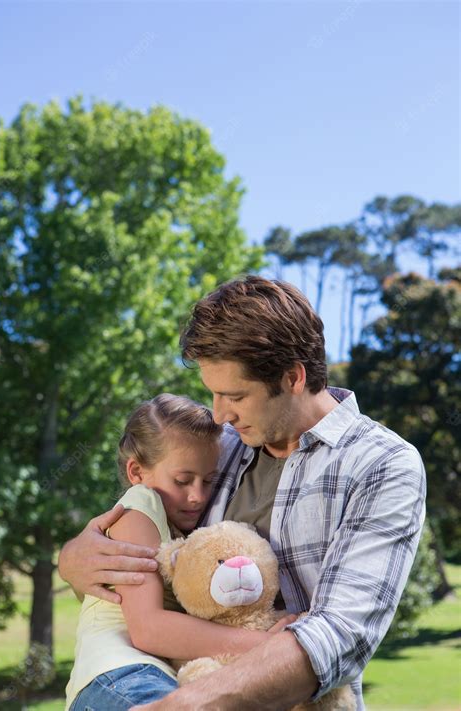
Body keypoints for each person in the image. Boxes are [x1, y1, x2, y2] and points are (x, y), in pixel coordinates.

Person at [59, 276, 426, 711]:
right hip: (173, 681)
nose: (218, 413)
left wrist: (186, 705)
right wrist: (76, 559)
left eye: (234, 395)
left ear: (293, 377)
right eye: (212, 394)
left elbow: (340, 635)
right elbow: (146, 543)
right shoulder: (219, 448)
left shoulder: (382, 465)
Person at [66, 393, 291, 711]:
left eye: (208, 480)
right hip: (120, 676)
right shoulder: (138, 508)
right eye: (183, 480)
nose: (198, 496)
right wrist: (268, 646)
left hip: (153, 678)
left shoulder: (181, 530)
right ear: (136, 472)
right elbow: (148, 629)